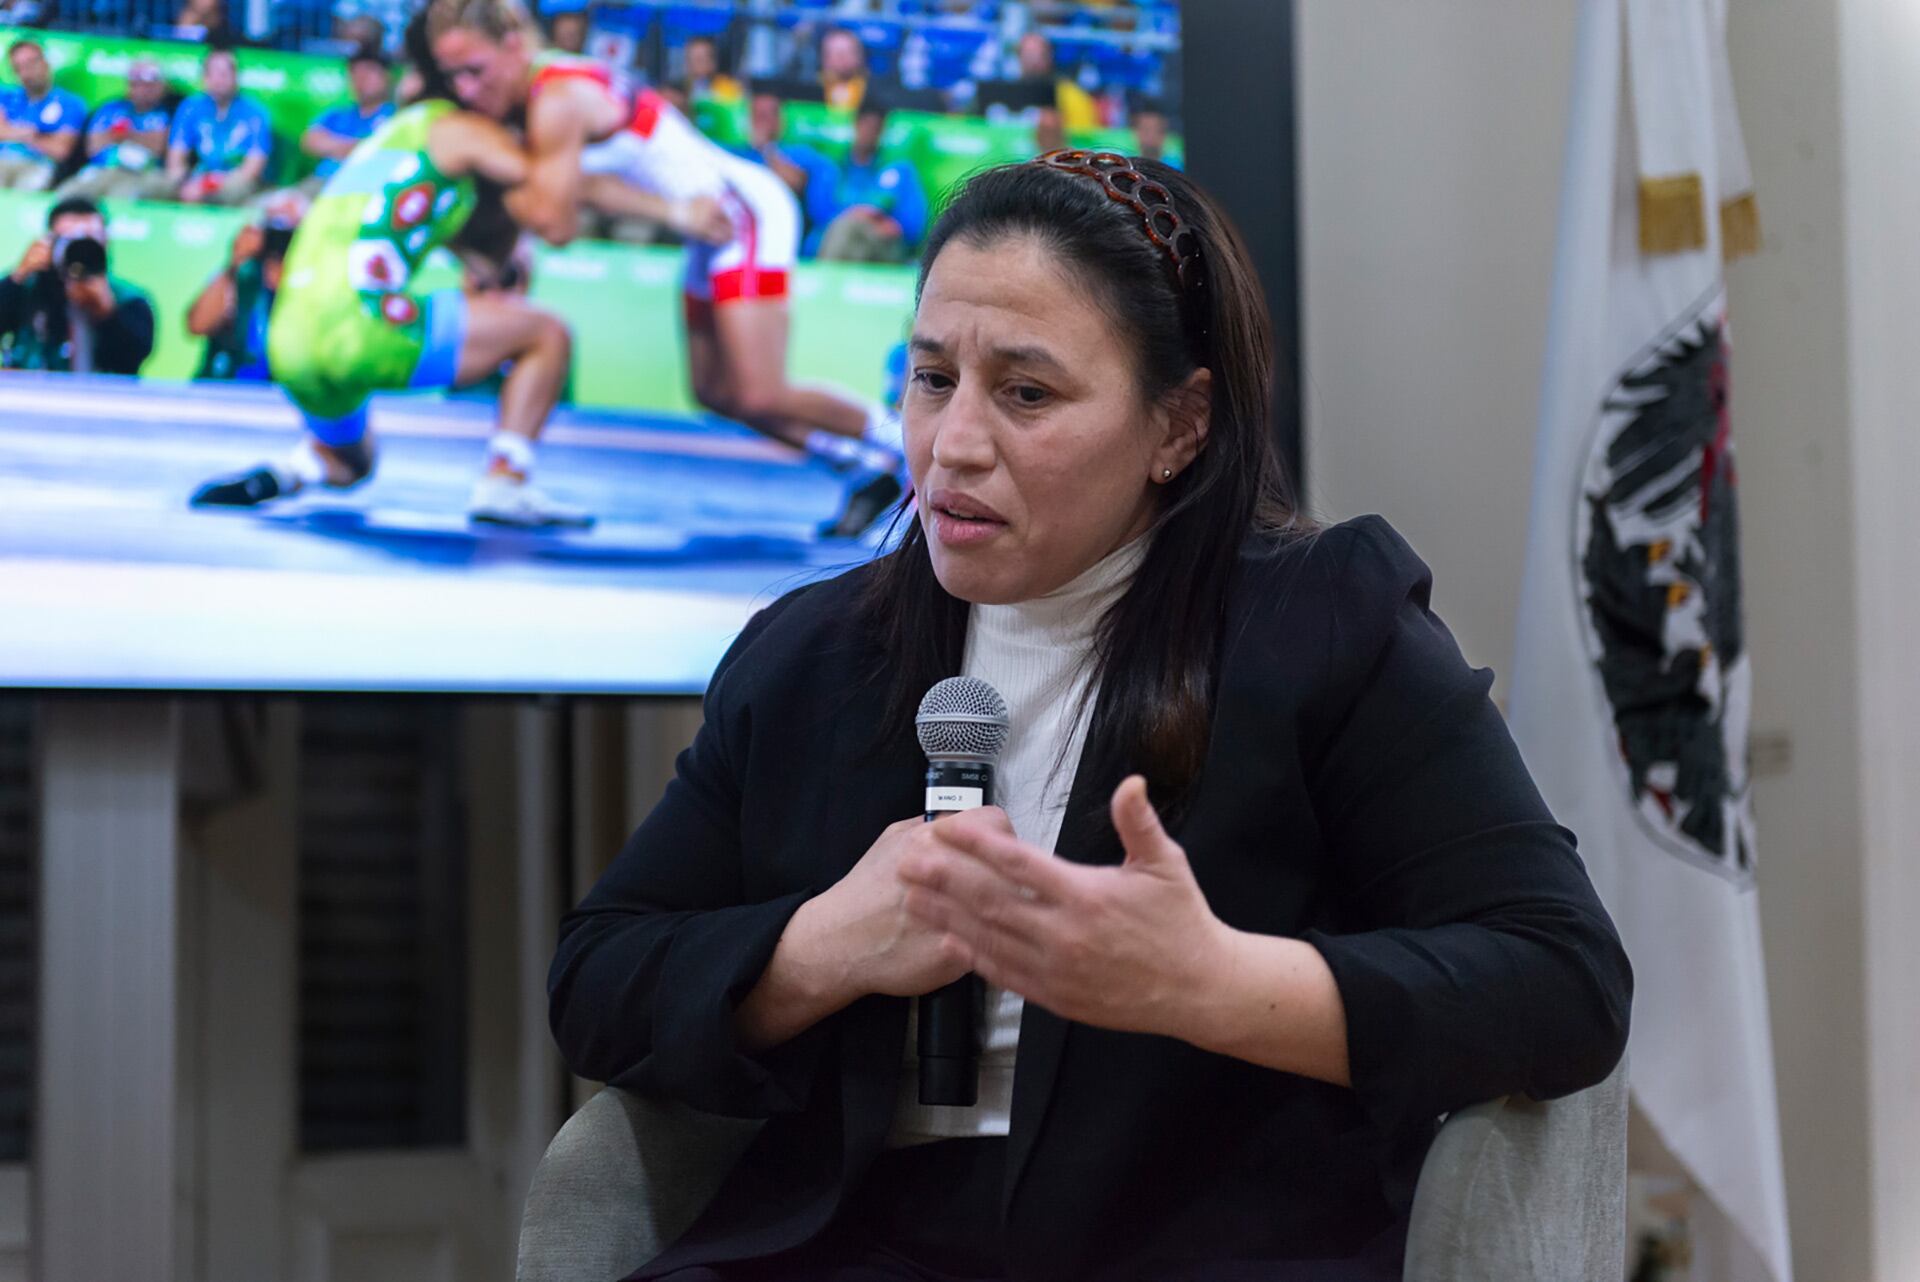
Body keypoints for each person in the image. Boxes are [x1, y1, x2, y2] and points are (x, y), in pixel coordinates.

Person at [548, 152, 1632, 1280]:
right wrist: (822, 946)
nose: (952, 444)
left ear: (1180, 427)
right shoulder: (813, 655)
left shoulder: (1326, 627)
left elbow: (1562, 980)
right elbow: (599, 980)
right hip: (855, 1244)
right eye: (929, 379)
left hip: (1201, 1244)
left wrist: (1208, 982)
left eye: (1026, 393)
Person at [427, 0, 909, 539]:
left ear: (514, 47)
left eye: (475, 71)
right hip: (704, 223)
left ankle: (909, 444)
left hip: (737, 214)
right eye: (453, 77)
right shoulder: (544, 88)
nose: (465, 91)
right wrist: (673, 214)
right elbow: (588, 184)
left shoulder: (555, 100)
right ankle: (862, 469)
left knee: (762, 390)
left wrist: (475, 194)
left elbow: (558, 224)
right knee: (715, 393)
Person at [189, 48, 592, 529]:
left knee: (351, 464)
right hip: (359, 325)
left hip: (290, 339)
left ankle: (287, 472)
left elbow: (464, 250)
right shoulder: (460, 129)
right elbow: (551, 202)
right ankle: (505, 483)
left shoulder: (381, 143)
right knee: (547, 334)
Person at [0, 195, 154, 374]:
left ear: (106, 242)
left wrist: (107, 311)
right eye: (69, 240)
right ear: (48, 242)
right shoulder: (28, 288)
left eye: (89, 240)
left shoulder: (128, 299)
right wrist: (19, 275)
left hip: (100, 397)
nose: (79, 249)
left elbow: (133, 358)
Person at [187, 195, 303, 381]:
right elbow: (197, 326)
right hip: (228, 383)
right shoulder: (241, 273)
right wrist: (233, 263)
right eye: (273, 226)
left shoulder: (310, 278)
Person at [808, 99, 928, 263]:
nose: (870, 133)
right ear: (855, 125)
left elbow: (913, 224)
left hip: (881, 243)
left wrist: (890, 225)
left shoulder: (900, 170)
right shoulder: (832, 168)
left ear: (882, 131)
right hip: (841, 240)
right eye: (866, 126)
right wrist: (859, 215)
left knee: (848, 232)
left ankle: (824, 281)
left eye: (876, 128)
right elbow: (819, 214)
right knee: (848, 235)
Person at [56, 55, 175, 201]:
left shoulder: (170, 111)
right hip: (103, 169)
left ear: (161, 86)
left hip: (143, 173)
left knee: (122, 195)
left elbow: (161, 145)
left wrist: (125, 135)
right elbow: (93, 145)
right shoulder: (110, 109)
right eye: (136, 83)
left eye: (148, 84)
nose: (142, 90)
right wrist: (142, 137)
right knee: (67, 193)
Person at [164, 48, 273, 206]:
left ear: (236, 77)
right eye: (212, 74)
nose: (218, 80)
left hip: (236, 180)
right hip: (198, 176)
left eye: (224, 74)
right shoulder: (190, 107)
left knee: (232, 190)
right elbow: (176, 156)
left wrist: (208, 185)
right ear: (204, 78)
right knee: (160, 185)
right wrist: (181, 181)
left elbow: (252, 169)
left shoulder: (255, 111)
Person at [297, 44, 395, 193]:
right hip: (320, 181)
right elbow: (309, 142)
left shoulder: (396, 117)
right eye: (355, 73)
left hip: (361, 188)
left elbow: (382, 152)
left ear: (387, 76)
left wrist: (332, 144)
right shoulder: (337, 114)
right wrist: (353, 147)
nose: (361, 80)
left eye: (369, 72)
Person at [730, 83, 835, 214]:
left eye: (765, 116)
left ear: (780, 119)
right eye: (756, 115)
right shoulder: (735, 153)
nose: (760, 123)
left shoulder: (801, 153)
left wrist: (766, 150)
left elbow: (796, 183)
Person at [0, 39, 85, 191]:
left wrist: (13, 132)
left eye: (31, 64)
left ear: (46, 62)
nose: (26, 73)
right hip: (3, 159)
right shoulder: (5, 96)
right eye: (18, 68)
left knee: (30, 186)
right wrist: (32, 135)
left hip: (38, 164)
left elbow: (60, 150)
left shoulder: (70, 103)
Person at [1014, 31, 1098, 132]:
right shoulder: (1009, 91)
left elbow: (1083, 134)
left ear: (1049, 56)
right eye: (1028, 55)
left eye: (1039, 54)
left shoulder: (1069, 92)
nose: (1034, 61)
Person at [681, 34, 743, 104]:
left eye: (698, 60)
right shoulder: (682, 88)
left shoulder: (727, 89)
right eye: (689, 59)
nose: (692, 65)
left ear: (713, 62)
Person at [818, 26, 867, 111]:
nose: (842, 59)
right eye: (836, 54)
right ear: (823, 57)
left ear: (859, 56)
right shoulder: (811, 86)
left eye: (847, 53)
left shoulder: (870, 90)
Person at [1131, 97, 1179, 169]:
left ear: (1164, 134)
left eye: (1155, 130)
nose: (1150, 135)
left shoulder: (1177, 168)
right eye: (1145, 130)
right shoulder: (1128, 169)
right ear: (1136, 133)